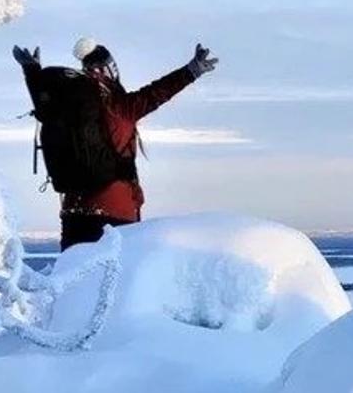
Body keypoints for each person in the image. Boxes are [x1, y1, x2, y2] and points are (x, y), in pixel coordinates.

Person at [12, 39, 219, 250]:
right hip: (115, 209)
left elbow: (43, 103)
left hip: (73, 210)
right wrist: (191, 71)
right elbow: (156, 93)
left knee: (71, 277)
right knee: (117, 279)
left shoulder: (68, 102)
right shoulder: (120, 106)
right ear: (110, 69)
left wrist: (31, 71)